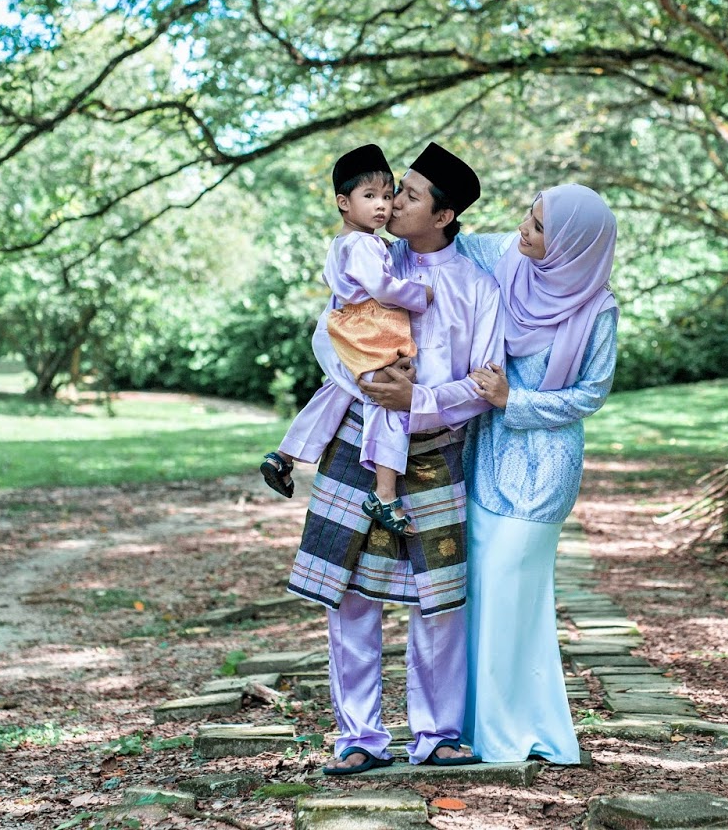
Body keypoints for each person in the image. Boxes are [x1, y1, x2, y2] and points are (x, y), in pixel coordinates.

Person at [285, 141, 502, 774]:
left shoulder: (477, 290)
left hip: (435, 451)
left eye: (407, 194)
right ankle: (359, 738)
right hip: (359, 439)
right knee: (351, 594)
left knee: (437, 600)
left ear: (443, 215)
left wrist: (421, 398)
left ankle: (436, 735)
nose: (391, 201)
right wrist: (370, 386)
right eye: (388, 191)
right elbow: (329, 336)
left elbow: (486, 386)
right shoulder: (367, 258)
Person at [454, 184, 619, 766]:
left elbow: (590, 395)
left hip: (543, 471)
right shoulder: (503, 257)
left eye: (541, 227)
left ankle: (512, 738)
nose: (524, 229)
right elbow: (440, 243)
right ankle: (481, 732)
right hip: (484, 461)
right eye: (529, 215)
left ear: (572, 244)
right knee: (481, 597)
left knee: (514, 597)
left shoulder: (598, 308)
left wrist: (511, 399)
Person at [261, 144, 434, 535]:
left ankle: (284, 456)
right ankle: (384, 495)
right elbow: (381, 287)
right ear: (344, 202)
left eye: (388, 197)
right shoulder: (362, 245)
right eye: (369, 196)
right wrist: (418, 294)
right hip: (360, 333)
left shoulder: (349, 242)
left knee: (335, 392)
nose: (382, 206)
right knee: (388, 398)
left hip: (342, 330)